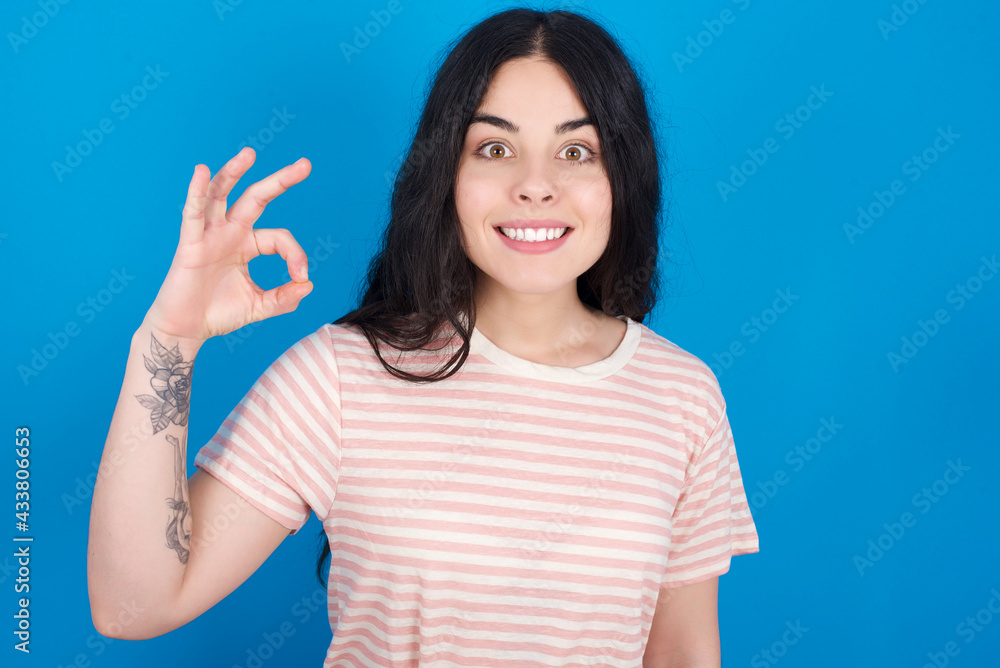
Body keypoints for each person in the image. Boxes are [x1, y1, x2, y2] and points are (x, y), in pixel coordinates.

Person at [88, 7, 759, 667]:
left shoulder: (682, 397)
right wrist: (167, 342)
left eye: (577, 151)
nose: (535, 187)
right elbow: (132, 605)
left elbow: (681, 654)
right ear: (446, 174)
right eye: (494, 148)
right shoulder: (342, 377)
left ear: (623, 179)